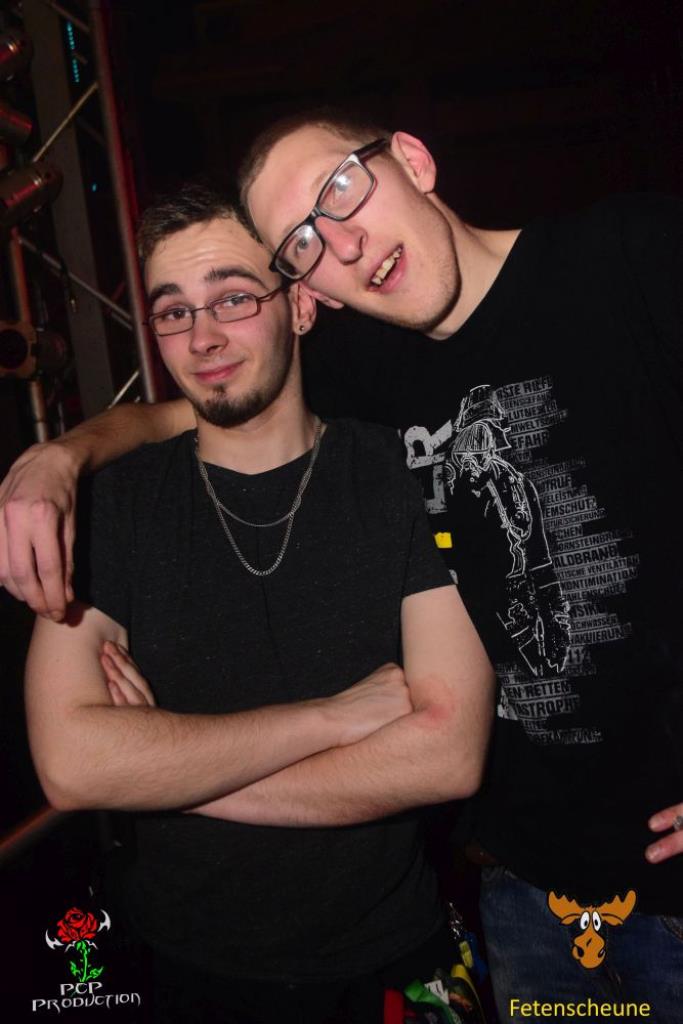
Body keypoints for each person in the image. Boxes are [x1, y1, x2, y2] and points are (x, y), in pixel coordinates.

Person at [4, 111, 683, 1018]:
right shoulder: (373, 374)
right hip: (530, 889)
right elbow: (201, 403)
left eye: (339, 189)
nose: (342, 242)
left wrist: (163, 778)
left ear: (412, 159)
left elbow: (439, 753)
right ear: (307, 293)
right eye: (303, 241)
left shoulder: (631, 254)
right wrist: (58, 457)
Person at [23, 183, 494, 1024]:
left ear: (301, 305)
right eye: (173, 311)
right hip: (179, 968)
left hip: (391, 958)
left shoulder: (401, 476)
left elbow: (445, 757)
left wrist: (161, 771)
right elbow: (70, 764)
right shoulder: (113, 507)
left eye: (234, 297)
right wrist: (333, 719)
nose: (202, 337)